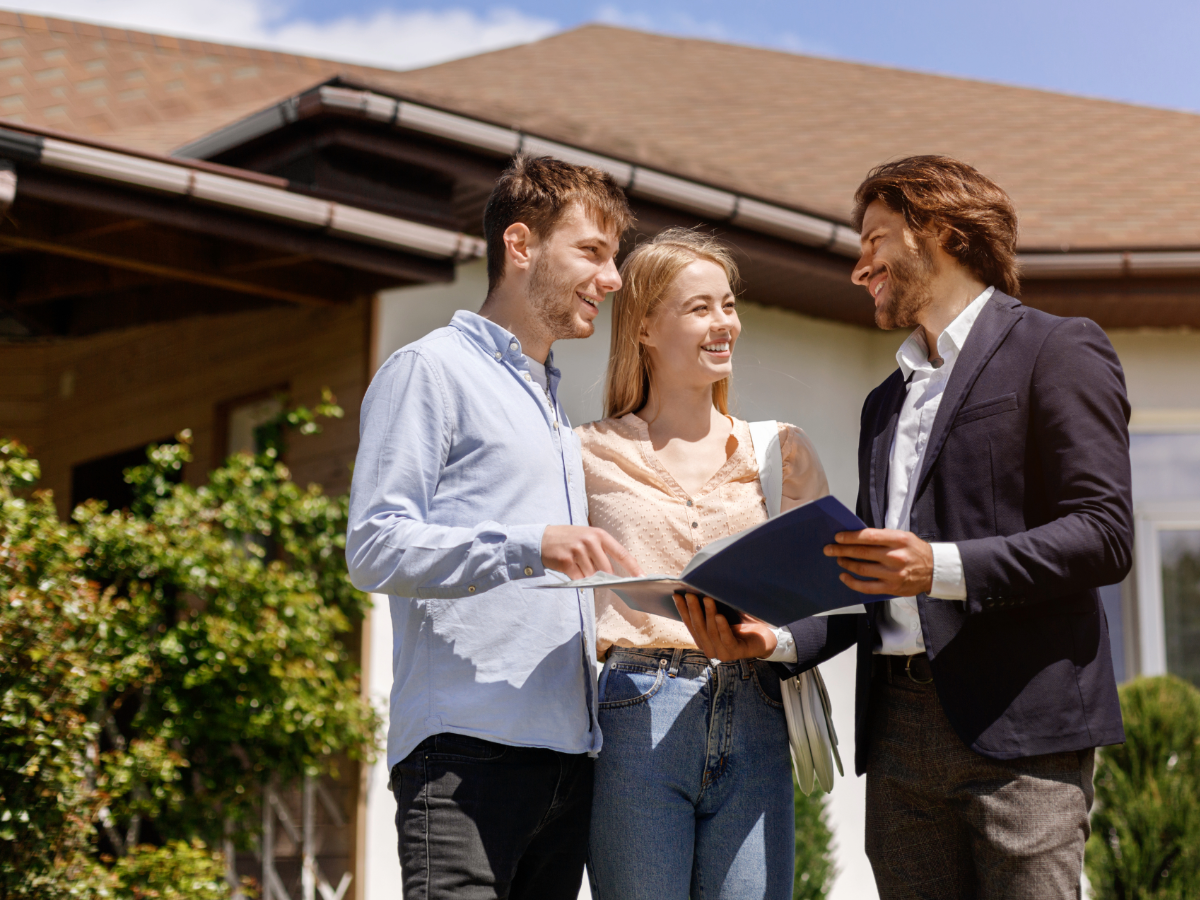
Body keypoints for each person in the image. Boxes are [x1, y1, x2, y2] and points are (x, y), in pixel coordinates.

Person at [679, 156, 1133, 899]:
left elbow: (1105, 532)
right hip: (897, 738)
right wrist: (780, 641)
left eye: (875, 241)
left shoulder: (1058, 348)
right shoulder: (884, 403)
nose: (861, 269)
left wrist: (938, 568)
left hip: (1022, 735)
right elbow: (872, 578)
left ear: (943, 233)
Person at [346, 154, 643, 900]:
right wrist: (528, 544)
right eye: (592, 252)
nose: (612, 279)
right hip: (463, 763)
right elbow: (374, 546)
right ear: (520, 245)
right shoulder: (431, 370)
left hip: (570, 765)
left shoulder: (549, 405)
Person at [577, 228, 830, 900]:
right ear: (645, 328)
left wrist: (771, 636)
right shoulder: (585, 454)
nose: (724, 325)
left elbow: (833, 597)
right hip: (637, 713)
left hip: (755, 707)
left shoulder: (780, 451)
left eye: (728, 305)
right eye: (699, 309)